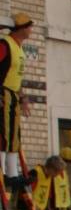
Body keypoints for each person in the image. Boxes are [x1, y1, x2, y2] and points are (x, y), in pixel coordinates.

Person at [0, 11, 33, 186]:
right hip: (3, 92)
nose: (31, 30)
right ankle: (3, 172)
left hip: (13, 94)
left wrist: (23, 98)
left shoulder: (18, 48)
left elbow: (17, 78)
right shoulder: (5, 44)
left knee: (14, 134)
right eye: (29, 27)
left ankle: (12, 173)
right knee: (4, 132)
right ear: (21, 28)